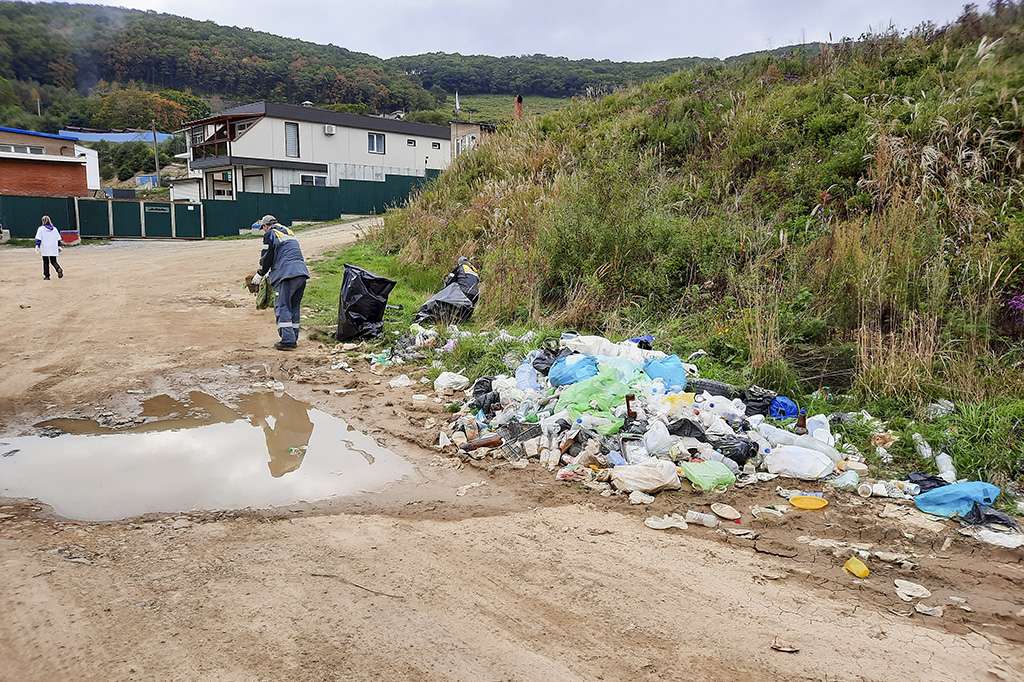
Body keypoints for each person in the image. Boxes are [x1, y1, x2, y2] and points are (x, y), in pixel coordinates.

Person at [250, 215, 309, 351]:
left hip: (286, 274)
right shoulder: (288, 231)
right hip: (301, 273)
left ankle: (287, 341)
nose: (263, 231)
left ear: (266, 226)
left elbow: (267, 256)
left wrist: (260, 273)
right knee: (294, 306)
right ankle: (293, 337)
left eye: (263, 228)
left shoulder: (270, 234)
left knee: (282, 305)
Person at [34, 215, 64, 280]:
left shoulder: (41, 229)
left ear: (42, 221)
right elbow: (58, 239)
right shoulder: (54, 229)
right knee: (53, 261)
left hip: (45, 248)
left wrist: (37, 246)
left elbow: (38, 239)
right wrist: (59, 246)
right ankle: (58, 268)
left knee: (46, 262)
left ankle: (47, 276)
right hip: (53, 247)